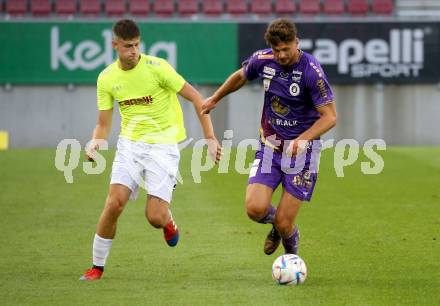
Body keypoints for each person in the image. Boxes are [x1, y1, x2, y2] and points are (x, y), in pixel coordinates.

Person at [80, 19, 221, 281]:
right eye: (127, 46)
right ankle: (96, 267)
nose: (133, 51)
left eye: (136, 45)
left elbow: (195, 97)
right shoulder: (107, 78)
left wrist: (210, 137)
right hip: (129, 146)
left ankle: (167, 221)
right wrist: (96, 143)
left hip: (164, 146)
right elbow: (103, 123)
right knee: (114, 203)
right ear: (115, 45)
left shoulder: (158, 68)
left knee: (154, 217)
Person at [202, 18, 337, 256]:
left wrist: (303, 139)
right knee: (254, 209)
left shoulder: (311, 72)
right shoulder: (263, 60)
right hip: (270, 147)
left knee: (286, 223)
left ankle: (290, 248)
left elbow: (330, 117)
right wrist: (215, 98)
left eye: (286, 49)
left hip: (302, 154)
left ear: (297, 42)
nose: (282, 55)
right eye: (277, 50)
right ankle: (279, 227)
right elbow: (240, 76)